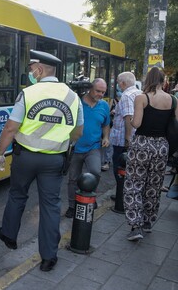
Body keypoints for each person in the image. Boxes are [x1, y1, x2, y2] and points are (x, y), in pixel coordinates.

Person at [0, 50, 83, 272]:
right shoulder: (73, 97)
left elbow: (11, 127)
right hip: (54, 160)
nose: (31, 73)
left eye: (32, 69)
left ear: (40, 69)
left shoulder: (28, 93)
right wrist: (62, 141)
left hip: (25, 157)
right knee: (51, 206)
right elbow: (78, 132)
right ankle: (48, 257)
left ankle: (9, 235)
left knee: (17, 194)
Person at [123, 67, 177, 241]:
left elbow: (137, 123)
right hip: (162, 146)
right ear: (163, 81)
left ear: (148, 81)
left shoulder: (142, 98)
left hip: (142, 145)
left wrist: (130, 119)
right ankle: (147, 222)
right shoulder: (173, 100)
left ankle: (135, 225)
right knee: (153, 185)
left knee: (134, 184)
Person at [65, 78, 110, 218]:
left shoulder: (104, 106)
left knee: (95, 172)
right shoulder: (76, 103)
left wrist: (106, 137)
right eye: (98, 91)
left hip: (94, 147)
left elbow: (106, 124)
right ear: (90, 88)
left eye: (103, 92)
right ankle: (72, 206)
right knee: (73, 178)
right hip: (75, 148)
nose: (100, 95)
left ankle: (90, 197)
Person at [109, 71, 141, 196]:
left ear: (123, 83)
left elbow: (129, 117)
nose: (117, 85)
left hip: (122, 140)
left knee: (119, 167)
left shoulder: (127, 95)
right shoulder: (139, 93)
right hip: (134, 138)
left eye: (118, 82)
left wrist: (127, 139)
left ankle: (121, 195)